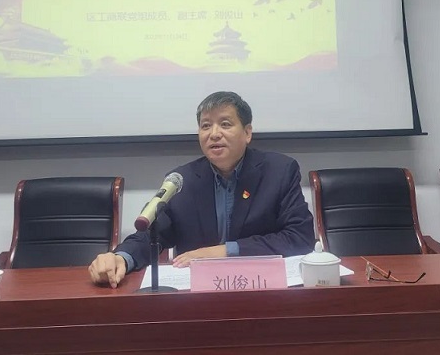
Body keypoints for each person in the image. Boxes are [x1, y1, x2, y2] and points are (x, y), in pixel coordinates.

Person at [88, 91, 315, 287]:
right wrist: (121, 258)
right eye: (206, 126)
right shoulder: (182, 181)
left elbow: (299, 237)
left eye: (225, 124)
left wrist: (224, 251)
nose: (214, 133)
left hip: (262, 289)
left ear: (247, 133)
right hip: (200, 297)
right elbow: (151, 235)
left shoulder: (279, 171)